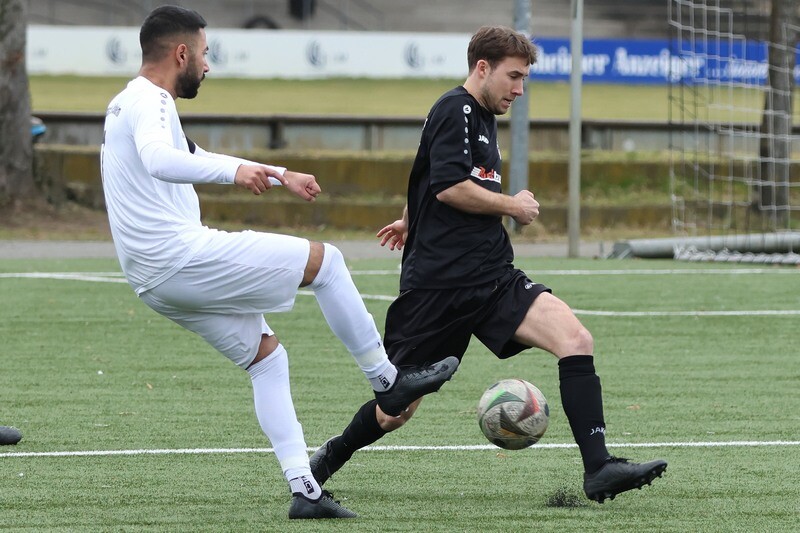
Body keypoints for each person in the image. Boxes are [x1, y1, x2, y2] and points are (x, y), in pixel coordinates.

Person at [100, 5, 458, 520]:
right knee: (326, 262)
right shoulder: (151, 100)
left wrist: (276, 171)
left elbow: (189, 155)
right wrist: (238, 172)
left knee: (267, 359)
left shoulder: (125, 102)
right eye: (204, 53)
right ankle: (388, 380)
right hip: (178, 257)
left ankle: (305, 491)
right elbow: (159, 160)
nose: (208, 64)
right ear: (180, 54)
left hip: (151, 279)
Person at [310, 25, 667, 504]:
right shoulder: (454, 108)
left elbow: (428, 174)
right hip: (438, 287)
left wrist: (410, 218)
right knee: (396, 410)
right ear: (483, 68)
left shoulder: (482, 116)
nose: (519, 89)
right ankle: (328, 458)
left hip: (493, 277)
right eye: (513, 77)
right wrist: (512, 205)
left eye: (524, 79)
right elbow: (449, 186)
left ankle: (599, 467)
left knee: (576, 340)